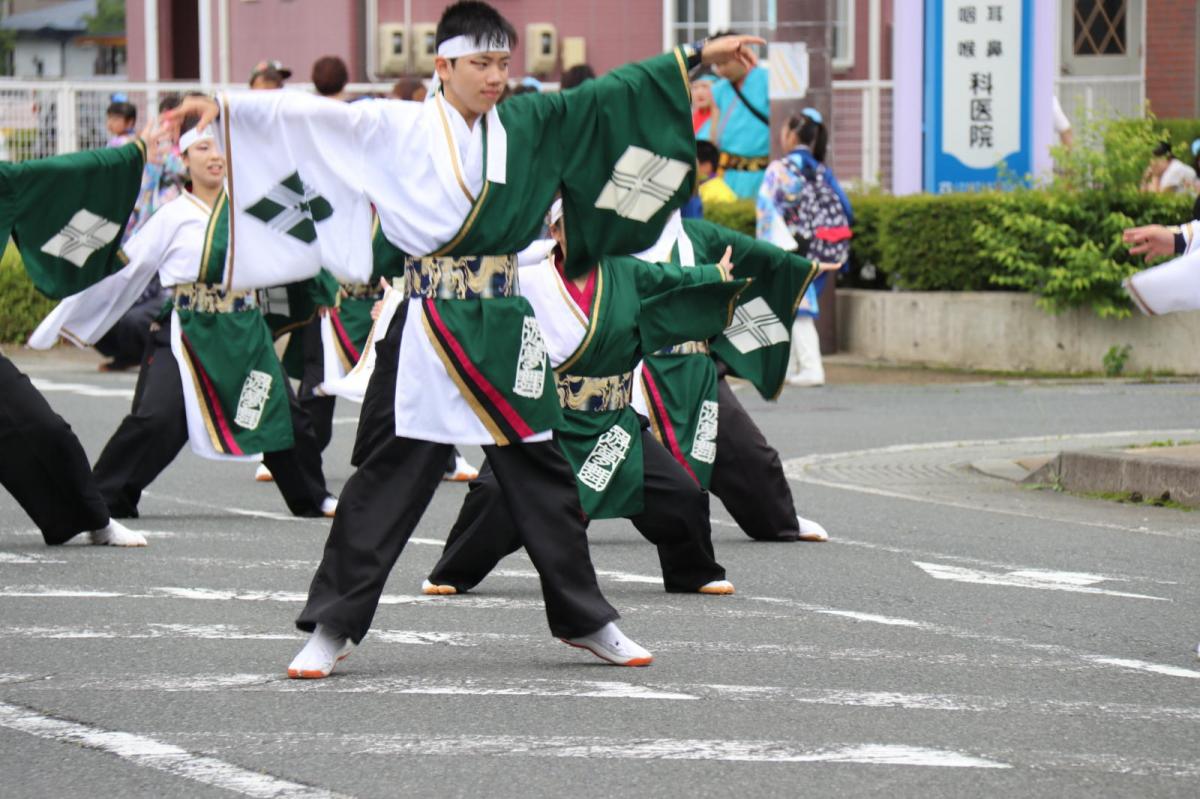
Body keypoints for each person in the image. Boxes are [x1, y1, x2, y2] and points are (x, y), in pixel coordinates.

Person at [167, 0, 762, 678]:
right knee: (388, 477)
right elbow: (312, 120)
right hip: (430, 326)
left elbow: (607, 96)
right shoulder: (396, 126)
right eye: (480, 62)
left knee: (544, 478)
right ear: (443, 64)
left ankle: (587, 618)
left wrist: (699, 56)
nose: (495, 75)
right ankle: (332, 626)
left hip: (505, 325)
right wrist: (232, 110)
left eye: (503, 62)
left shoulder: (525, 123)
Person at [423, 200, 746, 598]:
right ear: (554, 232)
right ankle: (451, 572)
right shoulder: (527, 279)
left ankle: (693, 572)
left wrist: (714, 274)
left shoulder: (624, 272)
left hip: (611, 423)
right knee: (494, 495)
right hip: (546, 422)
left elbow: (671, 280)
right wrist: (403, 299)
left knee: (681, 493)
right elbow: (466, 287)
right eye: (569, 226)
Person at [31, 118, 337, 522]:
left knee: (282, 414)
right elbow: (127, 269)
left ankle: (312, 498)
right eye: (203, 148)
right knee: (158, 418)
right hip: (187, 331)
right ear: (185, 157)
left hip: (244, 332)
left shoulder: (250, 207)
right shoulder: (172, 216)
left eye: (220, 147)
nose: (215, 157)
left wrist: (322, 291)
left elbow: (299, 252)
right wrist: (68, 318)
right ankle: (105, 496)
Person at [633, 211, 837, 543]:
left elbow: (755, 255)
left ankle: (777, 519)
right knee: (582, 455)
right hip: (629, 368)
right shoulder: (612, 239)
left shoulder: (697, 236)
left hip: (695, 368)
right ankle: (551, 527)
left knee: (748, 454)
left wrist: (801, 267)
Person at [759, 108, 852, 388]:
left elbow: (766, 209)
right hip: (826, 246)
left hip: (792, 247)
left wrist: (767, 250)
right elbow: (846, 208)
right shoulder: (822, 170)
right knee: (794, 304)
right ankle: (790, 368)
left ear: (790, 135)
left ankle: (810, 367)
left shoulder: (780, 169)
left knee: (797, 305)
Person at [704, 31, 769, 198]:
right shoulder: (718, 90)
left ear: (740, 54)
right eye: (716, 65)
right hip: (727, 176)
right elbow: (714, 132)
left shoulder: (767, 79)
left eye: (723, 63)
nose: (720, 71)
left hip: (763, 175)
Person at [691, 71, 717, 137]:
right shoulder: (689, 119)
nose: (699, 93)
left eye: (705, 86)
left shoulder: (724, 118)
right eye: (695, 87)